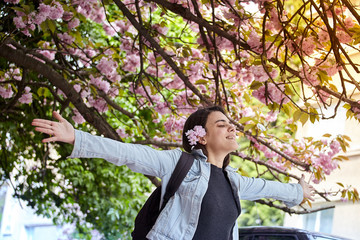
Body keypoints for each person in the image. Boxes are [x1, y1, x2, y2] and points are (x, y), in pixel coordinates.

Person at [32, 105, 315, 240]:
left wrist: (299, 192)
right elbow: (127, 153)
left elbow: (268, 187)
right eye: (221, 124)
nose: (232, 128)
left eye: (232, 125)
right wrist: (76, 138)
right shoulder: (179, 164)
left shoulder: (233, 181)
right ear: (201, 137)